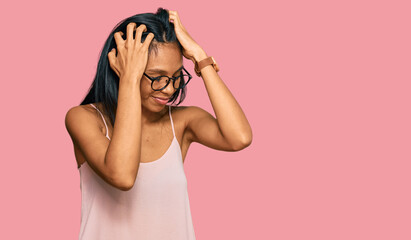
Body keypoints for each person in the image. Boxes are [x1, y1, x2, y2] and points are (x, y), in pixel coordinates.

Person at [65, 7, 252, 240]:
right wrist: (130, 79)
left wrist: (199, 56)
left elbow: (240, 137)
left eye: (175, 77)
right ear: (121, 67)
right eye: (157, 77)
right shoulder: (85, 119)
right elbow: (122, 175)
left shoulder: (181, 122)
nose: (170, 88)